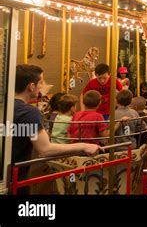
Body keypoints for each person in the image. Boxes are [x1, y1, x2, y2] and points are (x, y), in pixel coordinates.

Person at [12, 65, 100, 193]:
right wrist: (83, 146)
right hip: (16, 177)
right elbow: (45, 149)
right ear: (31, 86)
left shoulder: (7, 108)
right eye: (41, 82)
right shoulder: (28, 112)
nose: (42, 86)